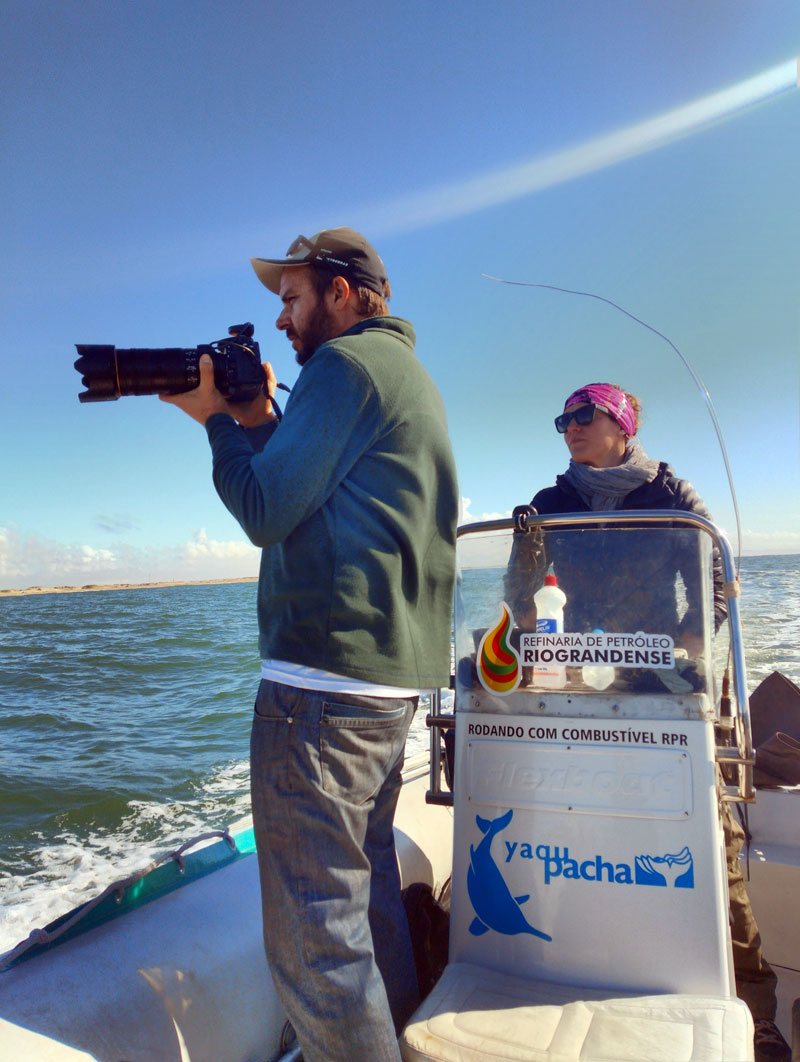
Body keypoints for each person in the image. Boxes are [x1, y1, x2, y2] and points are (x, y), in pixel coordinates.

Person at [160, 227, 458, 1062]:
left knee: (314, 942)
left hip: (321, 687)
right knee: (360, 904)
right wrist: (258, 416)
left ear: (343, 291)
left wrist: (218, 421)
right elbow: (312, 492)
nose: (282, 320)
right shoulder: (404, 374)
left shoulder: (344, 367)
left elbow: (265, 512)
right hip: (385, 683)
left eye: (292, 298)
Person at [508, 381, 788, 1062]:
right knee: (577, 829)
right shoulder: (548, 507)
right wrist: (530, 590)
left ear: (623, 424)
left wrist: (688, 645)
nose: (569, 428)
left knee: (711, 843)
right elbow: (522, 599)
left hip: (665, 684)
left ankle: (754, 1010)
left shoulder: (673, 497)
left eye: (584, 415)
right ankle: (593, 972)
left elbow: (717, 582)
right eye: (562, 419)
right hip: (576, 685)